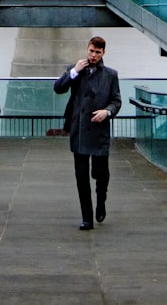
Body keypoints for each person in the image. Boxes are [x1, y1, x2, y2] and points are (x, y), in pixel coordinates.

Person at [54, 35, 121, 230]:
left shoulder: (110, 75)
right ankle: (87, 217)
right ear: (87, 49)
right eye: (91, 51)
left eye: (97, 52)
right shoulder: (76, 70)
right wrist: (74, 71)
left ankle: (101, 201)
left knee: (101, 174)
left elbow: (116, 101)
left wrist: (106, 111)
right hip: (79, 129)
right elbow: (58, 88)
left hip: (99, 130)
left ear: (103, 53)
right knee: (81, 176)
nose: (93, 55)